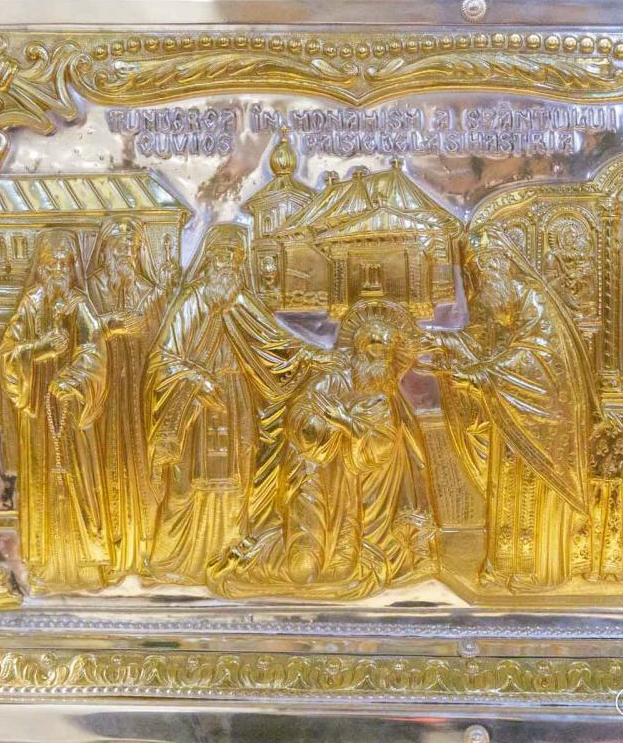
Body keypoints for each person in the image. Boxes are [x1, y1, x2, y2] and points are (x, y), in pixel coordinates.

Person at [208, 299, 437, 600]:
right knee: (303, 568)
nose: (380, 356)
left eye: (386, 351)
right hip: (312, 482)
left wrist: (345, 422)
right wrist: (324, 429)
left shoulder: (386, 399)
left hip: (356, 499)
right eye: (374, 348)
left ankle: (258, 556)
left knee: (344, 569)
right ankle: (251, 558)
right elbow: (300, 415)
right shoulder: (332, 380)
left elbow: (381, 444)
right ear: (359, 349)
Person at [144, 223, 319, 585]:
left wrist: (312, 358)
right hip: (194, 408)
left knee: (238, 478)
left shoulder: (241, 302)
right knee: (186, 485)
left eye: (234, 258)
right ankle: (175, 561)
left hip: (236, 400)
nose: (227, 265)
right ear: (208, 260)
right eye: (221, 257)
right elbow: (163, 358)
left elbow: (277, 345)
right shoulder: (193, 301)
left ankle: (227, 553)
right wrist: (195, 380)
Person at [432, 225, 599, 591]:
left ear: (502, 265)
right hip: (509, 421)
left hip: (542, 427)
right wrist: (445, 346)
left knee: (533, 499)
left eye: (484, 271)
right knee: (506, 495)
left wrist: (479, 376)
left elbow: (536, 359)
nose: (480, 282)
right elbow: (480, 344)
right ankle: (503, 567)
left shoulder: (533, 302)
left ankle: (539, 572)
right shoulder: (499, 305)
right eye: (474, 274)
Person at [0, 231, 112, 593]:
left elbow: (93, 352)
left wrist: (73, 380)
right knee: (42, 481)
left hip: (72, 413)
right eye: (52, 264)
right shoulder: (30, 305)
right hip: (39, 416)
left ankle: (86, 562)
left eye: (65, 264)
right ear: (42, 268)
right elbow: (8, 353)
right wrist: (39, 348)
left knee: (79, 478)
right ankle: (44, 564)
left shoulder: (79, 306)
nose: (59, 270)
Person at [87, 216, 179, 578]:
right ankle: (110, 550)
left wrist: (163, 295)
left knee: (142, 467)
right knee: (107, 468)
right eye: (121, 246)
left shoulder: (144, 288)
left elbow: (159, 332)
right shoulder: (93, 288)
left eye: (134, 247)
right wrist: (111, 327)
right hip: (104, 396)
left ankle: (143, 549)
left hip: (138, 394)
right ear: (106, 249)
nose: (127, 253)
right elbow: (81, 330)